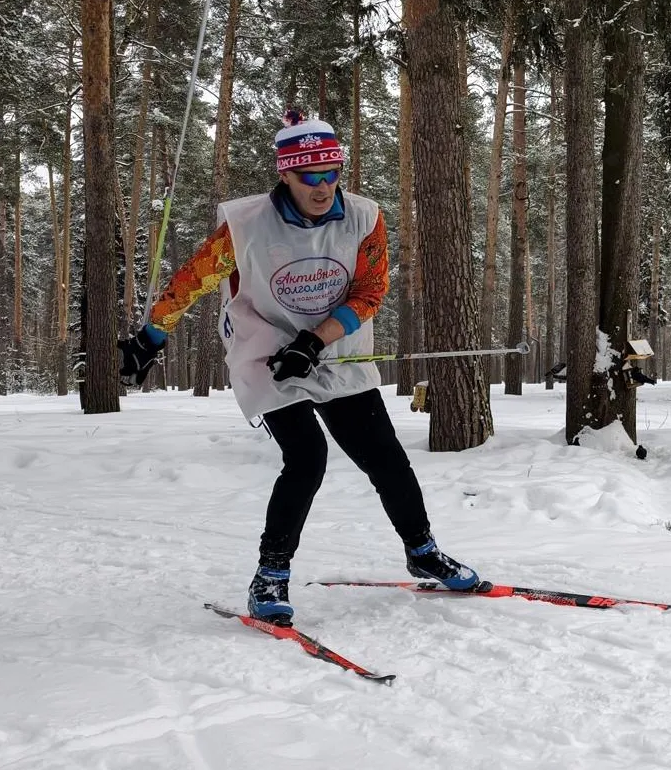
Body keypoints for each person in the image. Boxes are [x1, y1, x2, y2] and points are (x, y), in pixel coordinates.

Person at [116, 109, 480, 626]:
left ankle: (421, 550)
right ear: (284, 174)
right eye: (311, 176)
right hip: (266, 349)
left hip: (333, 345)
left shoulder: (363, 216)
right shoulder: (245, 226)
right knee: (307, 458)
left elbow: (371, 290)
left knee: (385, 456)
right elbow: (193, 279)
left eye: (333, 172)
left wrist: (316, 339)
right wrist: (151, 336)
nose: (324, 185)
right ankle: (270, 575)